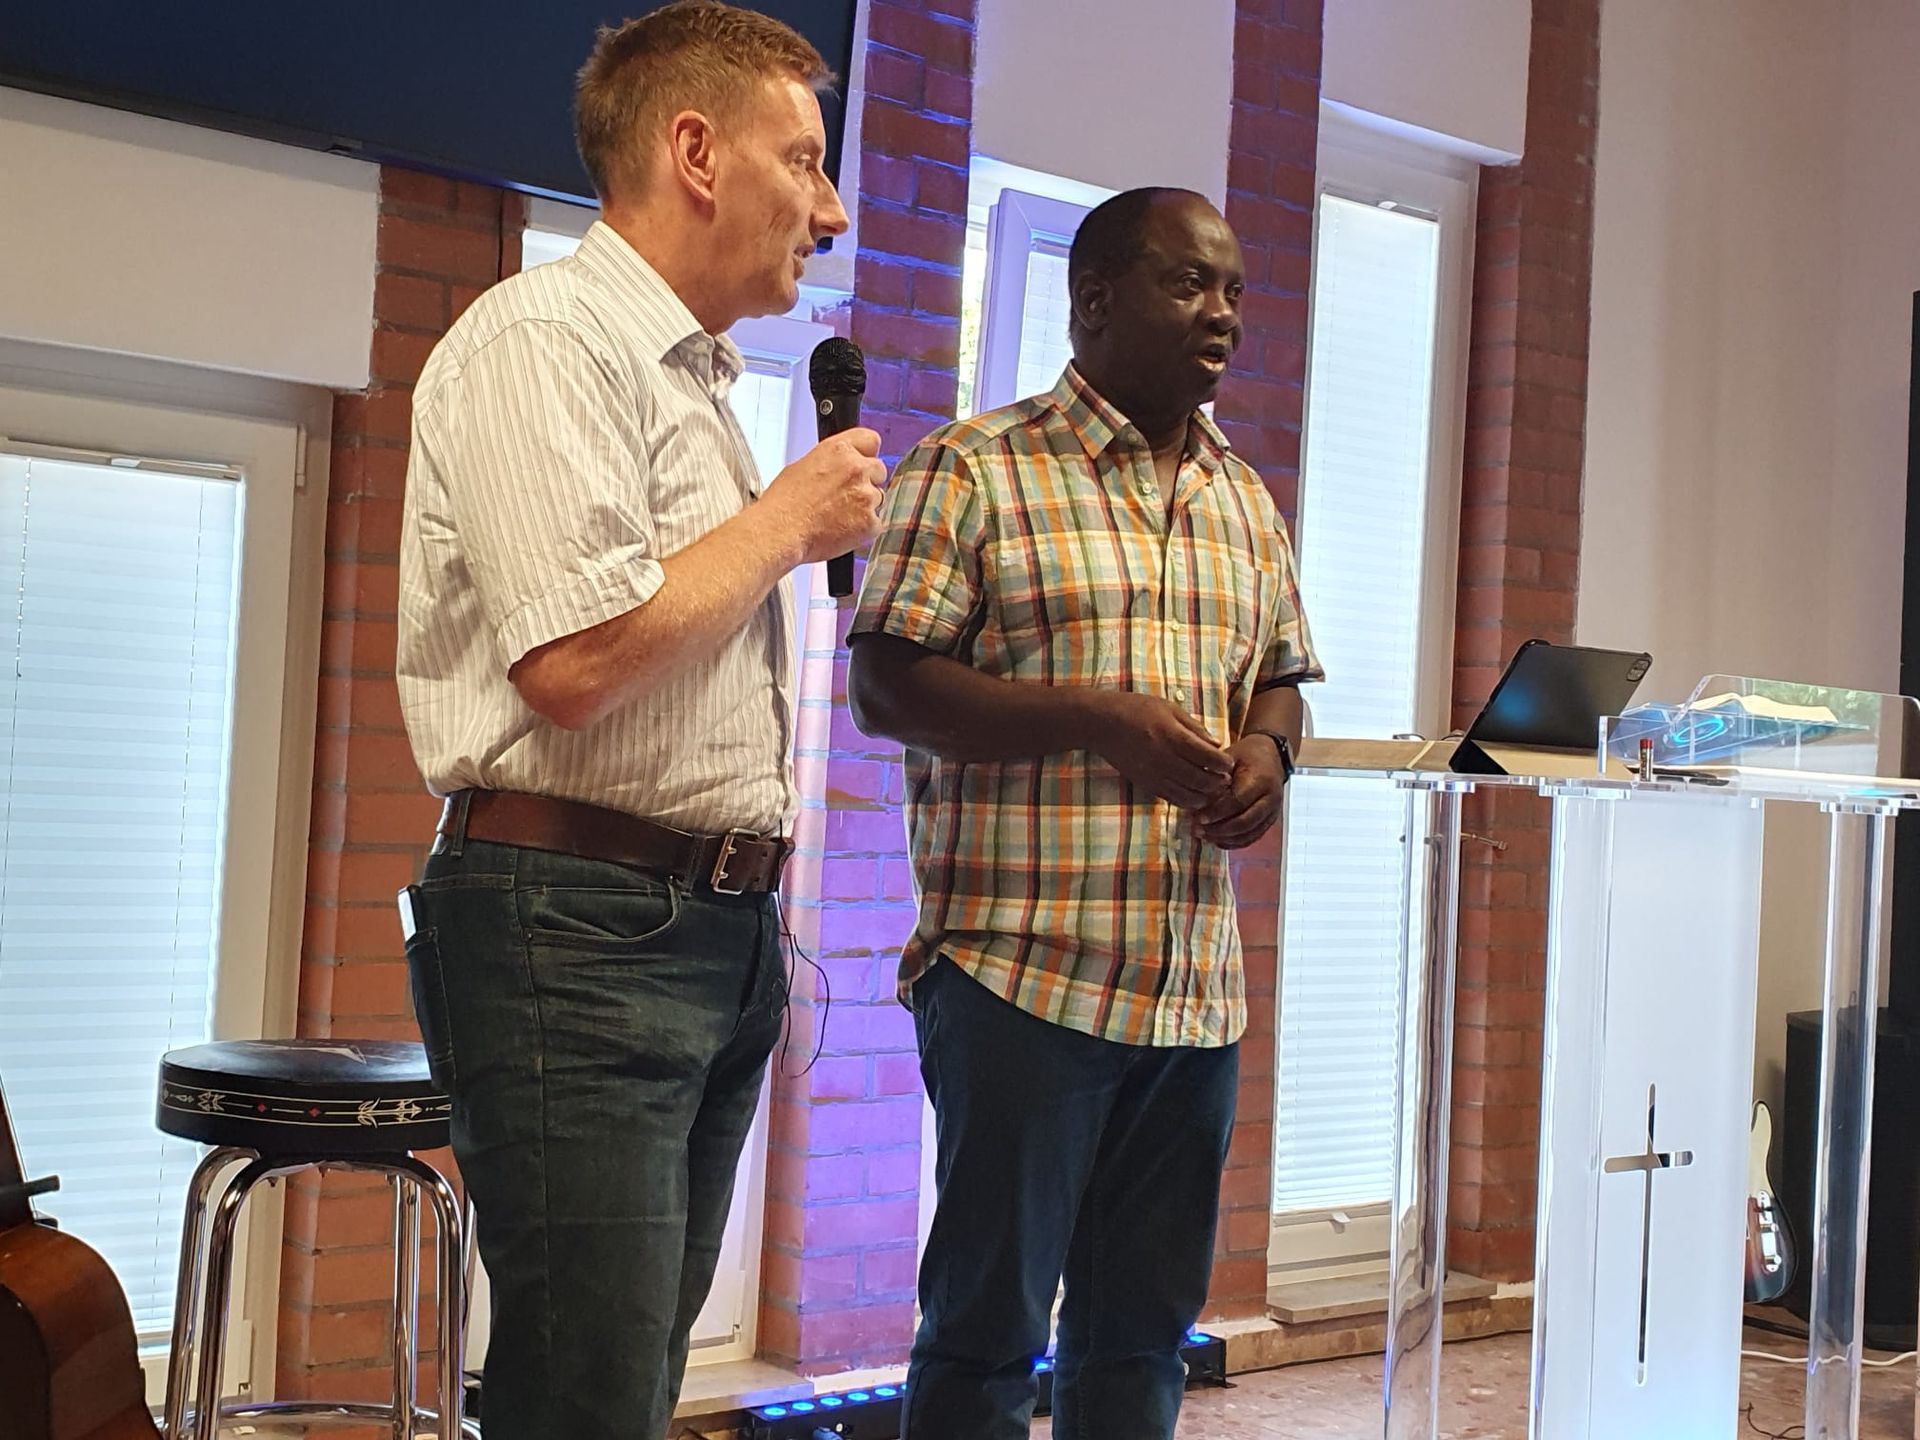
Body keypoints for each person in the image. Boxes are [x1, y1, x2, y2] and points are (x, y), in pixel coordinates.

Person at [393, 5, 884, 1437]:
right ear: (697, 153)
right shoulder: (545, 340)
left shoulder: (693, 379)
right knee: (586, 1395)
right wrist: (786, 524)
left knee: (631, 1385)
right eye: (806, 160)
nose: (834, 211)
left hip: (704, 930)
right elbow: (575, 659)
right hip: (577, 925)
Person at [847, 187, 1323, 1440]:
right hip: (1020, 978)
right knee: (984, 1340)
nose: (1223, 314)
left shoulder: (1242, 497)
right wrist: (1098, 719)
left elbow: (1281, 676)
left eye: (1234, 290)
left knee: (1141, 1343)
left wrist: (1269, 754)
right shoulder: (974, 469)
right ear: (1095, 299)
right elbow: (886, 686)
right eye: (1189, 283)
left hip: (1190, 991)